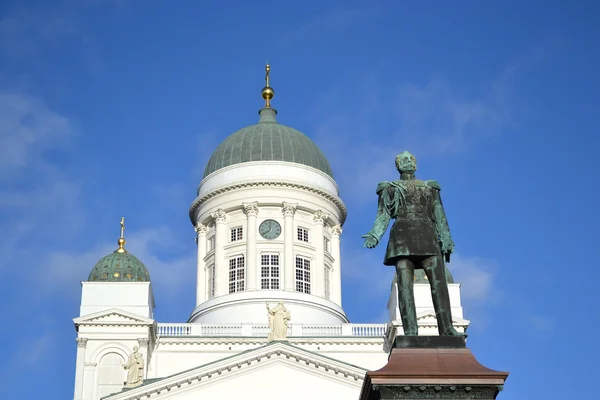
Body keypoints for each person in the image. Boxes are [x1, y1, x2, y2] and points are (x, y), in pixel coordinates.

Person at [363, 151, 464, 337]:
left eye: (411, 159)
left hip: (428, 235)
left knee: (439, 283)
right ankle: (410, 332)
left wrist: (446, 238)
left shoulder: (429, 187)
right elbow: (383, 215)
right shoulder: (390, 188)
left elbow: (439, 214)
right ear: (398, 166)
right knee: (404, 285)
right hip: (402, 236)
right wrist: (374, 235)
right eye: (403, 160)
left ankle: (447, 329)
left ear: (415, 165)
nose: (408, 162)